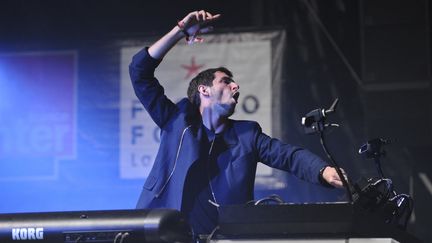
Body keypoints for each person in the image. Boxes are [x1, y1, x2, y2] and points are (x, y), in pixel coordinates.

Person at [129, 10, 344, 238]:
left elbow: (288, 156)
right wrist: (180, 30)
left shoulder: (247, 135)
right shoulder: (176, 120)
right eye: (226, 81)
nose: (236, 86)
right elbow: (139, 71)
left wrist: (323, 170)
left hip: (221, 237)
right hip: (163, 233)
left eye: (235, 83)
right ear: (204, 90)